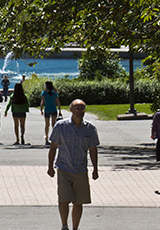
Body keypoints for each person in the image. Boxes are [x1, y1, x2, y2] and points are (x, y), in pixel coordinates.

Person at [47, 99, 99, 230]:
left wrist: (95, 169)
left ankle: (75, 227)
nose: (80, 111)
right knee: (63, 199)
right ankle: (64, 225)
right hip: (64, 167)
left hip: (80, 169)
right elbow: (53, 147)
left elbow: (93, 149)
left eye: (82, 109)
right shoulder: (60, 126)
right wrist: (50, 167)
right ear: (71, 109)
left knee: (78, 201)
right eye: (77, 109)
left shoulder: (90, 128)